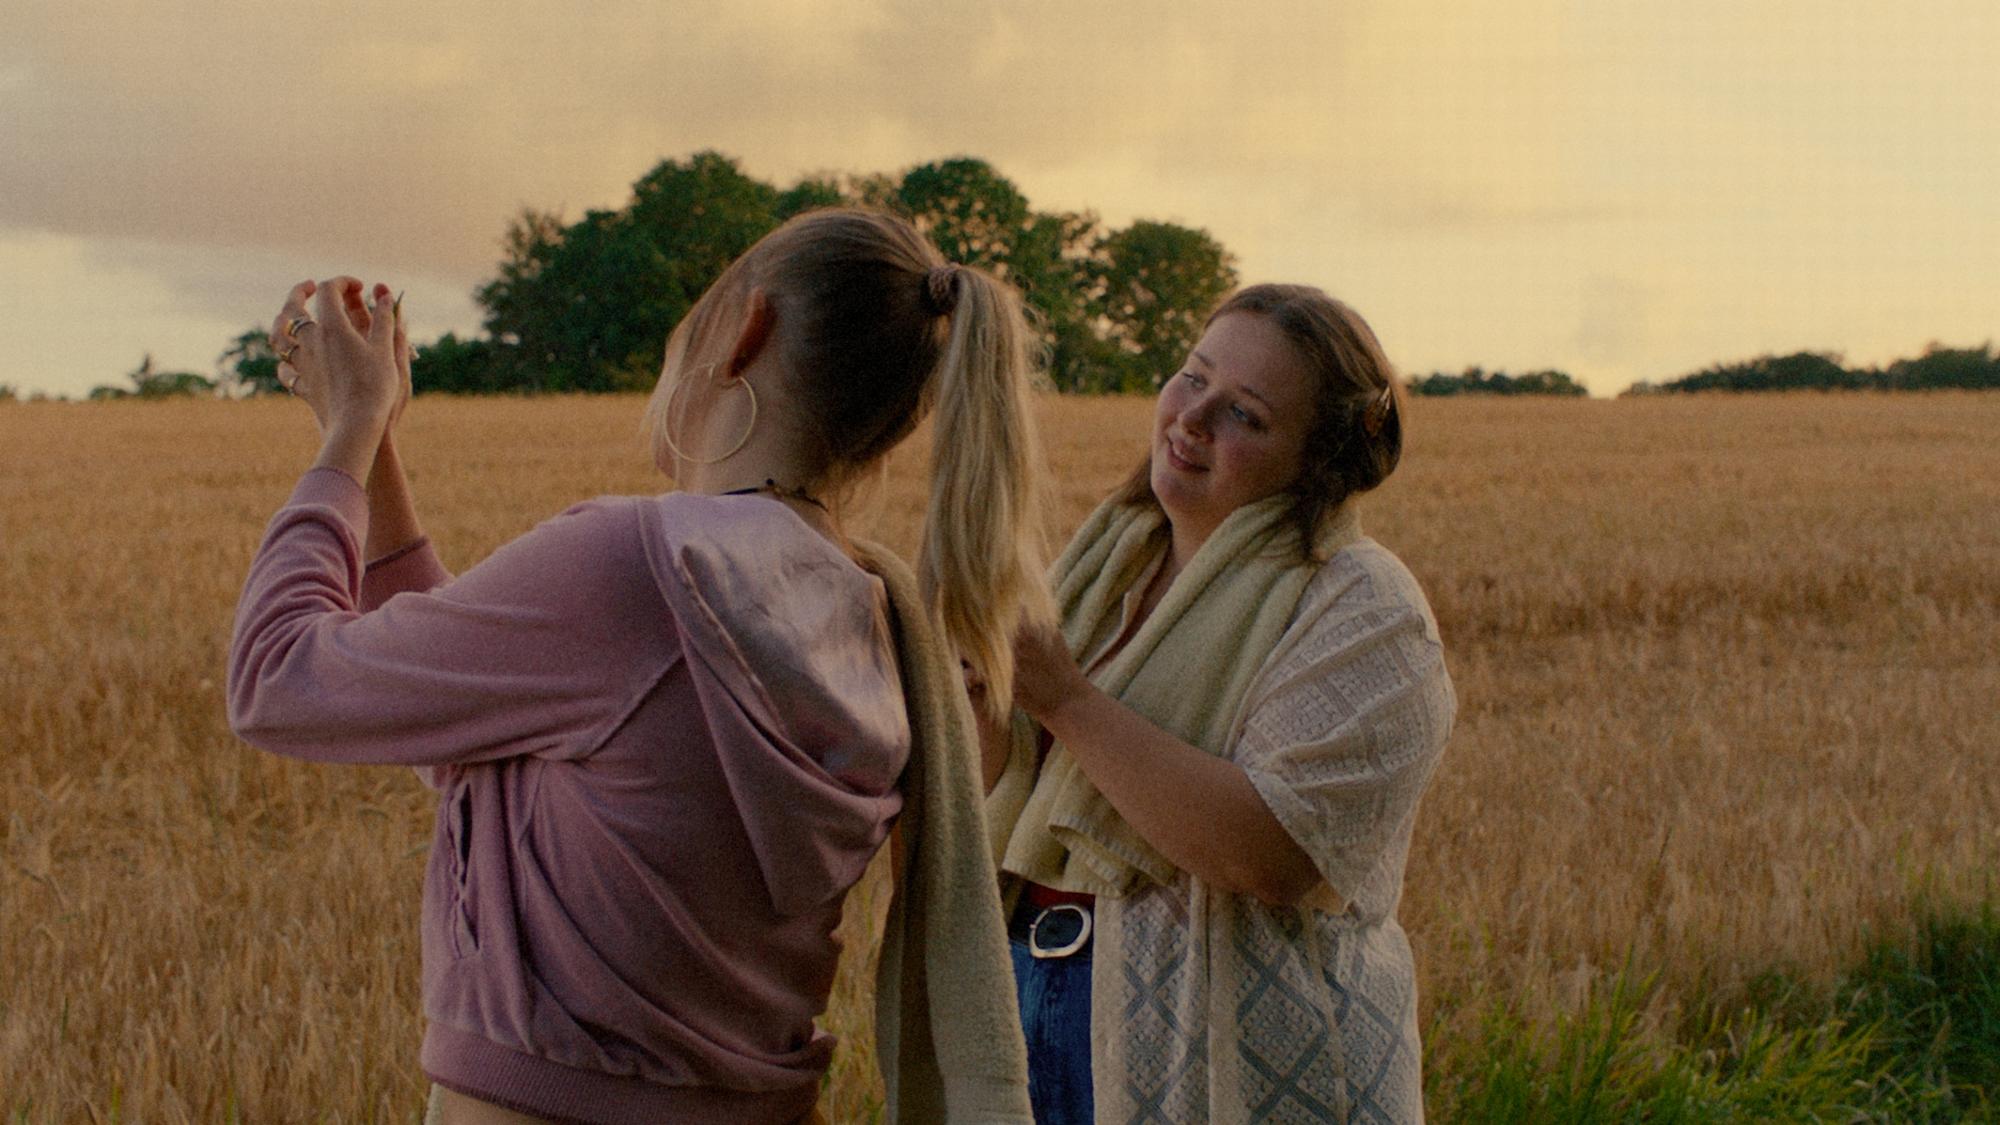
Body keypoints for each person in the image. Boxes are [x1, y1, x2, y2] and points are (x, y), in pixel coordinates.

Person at [227, 208, 1049, 1124]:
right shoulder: (872, 616)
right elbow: (461, 721)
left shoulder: (635, 567)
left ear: (745, 329)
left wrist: (346, 431)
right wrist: (381, 451)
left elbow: (276, 678)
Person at [980, 284, 1456, 1124]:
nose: (1192, 417)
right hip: (1024, 1000)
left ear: (1315, 460)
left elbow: (1272, 853)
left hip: (1211, 1045)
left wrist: (1067, 698)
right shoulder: (1105, 565)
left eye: (1244, 414)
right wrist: (978, 683)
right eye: (1193, 376)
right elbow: (1001, 787)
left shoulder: (1365, 610)